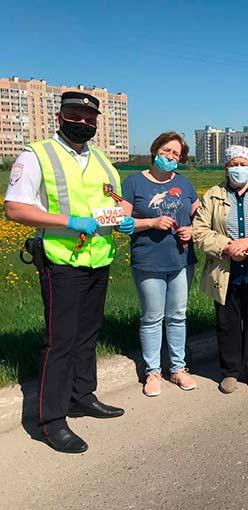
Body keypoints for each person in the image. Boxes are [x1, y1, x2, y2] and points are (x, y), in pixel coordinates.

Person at [4, 91, 133, 453]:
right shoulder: (37, 154)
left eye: (90, 118)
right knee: (60, 340)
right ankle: (52, 419)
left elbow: (116, 199)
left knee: (88, 334)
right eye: (75, 115)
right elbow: (14, 209)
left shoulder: (103, 160)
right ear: (60, 116)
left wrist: (122, 214)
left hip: (99, 258)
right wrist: (69, 221)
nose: (83, 123)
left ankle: (82, 395)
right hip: (61, 260)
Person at [193, 146, 248, 394]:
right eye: (234, 163)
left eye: (244, 163)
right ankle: (230, 371)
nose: (239, 168)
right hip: (224, 269)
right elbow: (199, 231)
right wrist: (226, 246)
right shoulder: (212, 196)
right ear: (226, 167)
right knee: (227, 322)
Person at [120, 132, 199, 397]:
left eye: (176, 154)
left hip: (181, 260)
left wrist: (193, 231)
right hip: (148, 260)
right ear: (155, 150)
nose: (170, 157)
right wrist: (151, 223)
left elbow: (201, 217)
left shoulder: (185, 184)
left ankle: (178, 368)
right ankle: (152, 371)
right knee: (152, 318)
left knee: (178, 316)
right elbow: (123, 223)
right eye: (167, 151)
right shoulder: (133, 182)